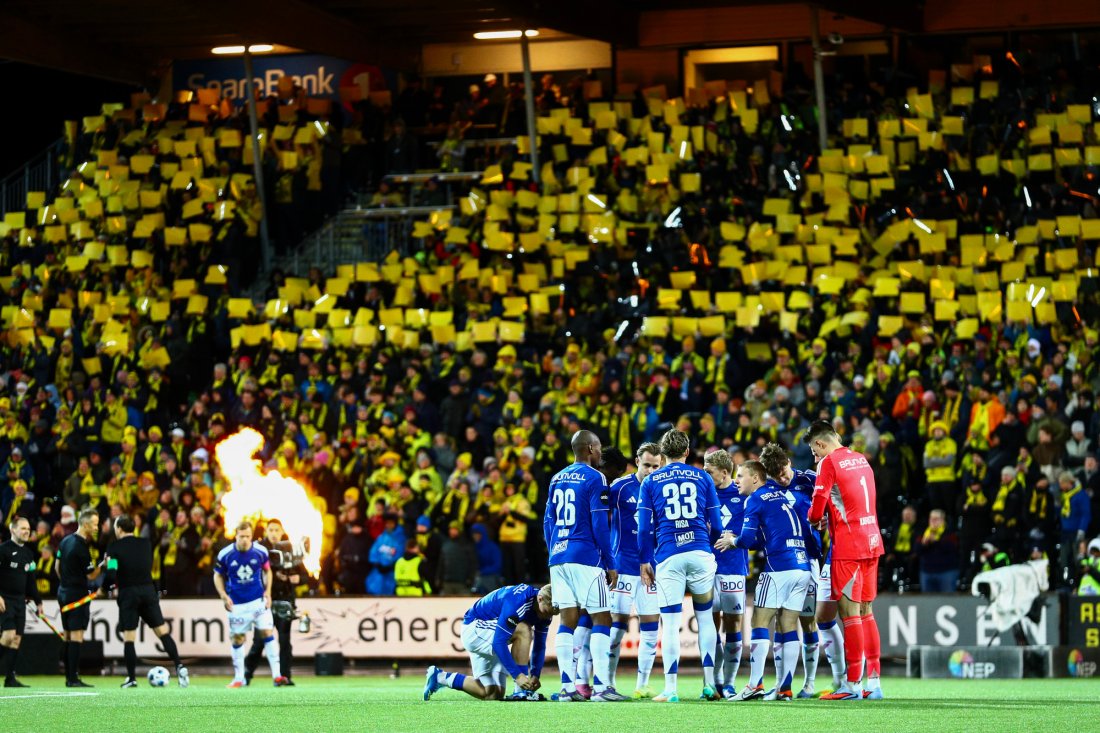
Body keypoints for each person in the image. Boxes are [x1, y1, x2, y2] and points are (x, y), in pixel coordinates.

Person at [716, 459, 813, 701]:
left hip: (778, 566)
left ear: (756, 479)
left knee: (759, 620)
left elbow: (748, 539)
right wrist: (740, 538)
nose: (737, 480)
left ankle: (754, 685)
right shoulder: (779, 495)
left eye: (741, 475)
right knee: (788, 624)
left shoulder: (755, 499)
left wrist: (733, 540)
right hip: (802, 565)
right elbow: (764, 538)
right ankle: (785, 689)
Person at [638, 429, 723, 702]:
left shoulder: (650, 481)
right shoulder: (702, 476)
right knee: (705, 617)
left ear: (662, 454)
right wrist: (706, 545)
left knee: (671, 622)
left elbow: (643, 530)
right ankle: (709, 684)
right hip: (700, 552)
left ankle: (671, 689)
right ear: (687, 452)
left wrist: (644, 561)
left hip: (669, 555)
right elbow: (717, 524)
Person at [543, 429, 627, 702]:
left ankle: (567, 687)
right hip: (586, 557)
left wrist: (554, 551)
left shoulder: (557, 478)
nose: (601, 452)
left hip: (558, 556)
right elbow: (600, 524)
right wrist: (610, 562)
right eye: (599, 447)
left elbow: (548, 522)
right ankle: (602, 687)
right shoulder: (596, 477)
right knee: (602, 616)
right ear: (590, 448)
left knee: (567, 620)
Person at [805, 419, 885, 700]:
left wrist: (816, 518)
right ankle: (873, 684)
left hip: (849, 545)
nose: (815, 458)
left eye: (815, 453)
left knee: (850, 615)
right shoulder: (861, 459)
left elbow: (816, 510)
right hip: (872, 539)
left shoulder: (828, 463)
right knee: (867, 613)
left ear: (820, 444)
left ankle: (851, 684)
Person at [759, 442, 830, 698]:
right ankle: (781, 683)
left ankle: (809, 683)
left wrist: (826, 519)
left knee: (808, 621)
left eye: (785, 471)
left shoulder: (810, 480)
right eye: (777, 476)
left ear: (789, 461)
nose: (783, 477)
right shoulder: (766, 490)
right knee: (782, 622)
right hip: (781, 565)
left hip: (809, 560)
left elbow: (833, 503)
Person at [423, 583, 557, 701]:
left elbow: (539, 645)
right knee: (523, 629)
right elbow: (499, 642)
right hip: (475, 629)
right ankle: (521, 692)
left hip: (492, 633)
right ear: (540, 599)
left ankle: (440, 677)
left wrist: (535, 675)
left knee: (492, 693)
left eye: (554, 614)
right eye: (548, 612)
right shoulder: (518, 602)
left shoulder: (545, 610)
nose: (549, 616)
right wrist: (518, 676)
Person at [102, 515, 189, 688]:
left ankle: (132, 678)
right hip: (148, 591)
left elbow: (112, 574)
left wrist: (106, 585)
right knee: (162, 631)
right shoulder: (145, 544)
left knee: (129, 637)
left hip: (128, 593)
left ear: (118, 528)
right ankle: (179, 666)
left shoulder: (114, 547)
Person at [607, 442, 662, 698]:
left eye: (655, 466)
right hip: (623, 566)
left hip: (651, 568)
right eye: (646, 465)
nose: (650, 470)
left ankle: (642, 685)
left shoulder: (661, 489)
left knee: (651, 628)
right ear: (637, 461)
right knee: (616, 628)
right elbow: (600, 519)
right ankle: (607, 682)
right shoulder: (619, 487)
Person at [214, 520, 289, 688]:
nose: (245, 540)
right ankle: (239, 678)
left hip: (258, 602)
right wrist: (223, 596)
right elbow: (217, 575)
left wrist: (268, 592)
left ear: (252, 535)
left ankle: (277, 676)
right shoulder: (225, 554)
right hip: (237, 604)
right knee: (238, 638)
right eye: (241, 537)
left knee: (267, 633)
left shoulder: (261, 551)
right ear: (236, 536)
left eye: (248, 536)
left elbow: (267, 570)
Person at [703, 448, 747, 699]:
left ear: (723, 472)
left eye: (709, 472)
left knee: (733, 623)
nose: (706, 476)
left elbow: (754, 526)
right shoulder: (702, 493)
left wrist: (736, 538)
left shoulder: (742, 494)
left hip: (733, 568)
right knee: (709, 624)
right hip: (707, 568)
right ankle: (714, 680)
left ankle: (729, 682)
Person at [244, 519, 303, 686]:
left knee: (285, 642)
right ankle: (246, 674)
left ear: (282, 531)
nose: (274, 533)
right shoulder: (258, 550)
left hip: (285, 601)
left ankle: (284, 676)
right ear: (266, 532)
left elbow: (305, 575)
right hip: (265, 602)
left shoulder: (291, 549)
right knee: (260, 641)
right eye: (271, 530)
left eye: (277, 530)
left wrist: (298, 578)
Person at [55, 509, 103, 687]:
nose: (97, 527)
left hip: (63, 592)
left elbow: (57, 567)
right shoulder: (82, 546)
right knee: (76, 636)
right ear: (85, 524)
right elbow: (91, 575)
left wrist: (66, 583)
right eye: (95, 523)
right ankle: (73, 678)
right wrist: (103, 565)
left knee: (67, 635)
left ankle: (69, 677)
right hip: (77, 595)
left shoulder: (65, 541)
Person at [0, 516, 43, 688]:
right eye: (23, 528)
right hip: (5, 599)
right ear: (13, 530)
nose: (26, 531)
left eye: (28, 529)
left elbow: (31, 581)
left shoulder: (29, 554)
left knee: (16, 639)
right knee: (8, 635)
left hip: (20, 601)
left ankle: (10, 678)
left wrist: (38, 602)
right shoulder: (2, 550)